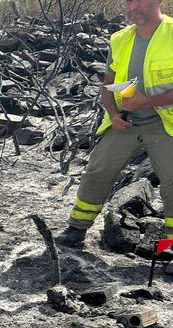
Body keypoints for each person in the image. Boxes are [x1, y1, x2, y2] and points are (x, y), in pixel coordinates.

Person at [58, 0, 173, 248]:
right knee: (97, 172)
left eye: (139, 0)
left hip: (166, 123)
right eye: (128, 1)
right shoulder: (119, 39)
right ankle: (76, 229)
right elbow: (108, 84)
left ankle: (170, 244)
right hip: (126, 122)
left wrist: (146, 102)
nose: (132, 6)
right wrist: (112, 114)